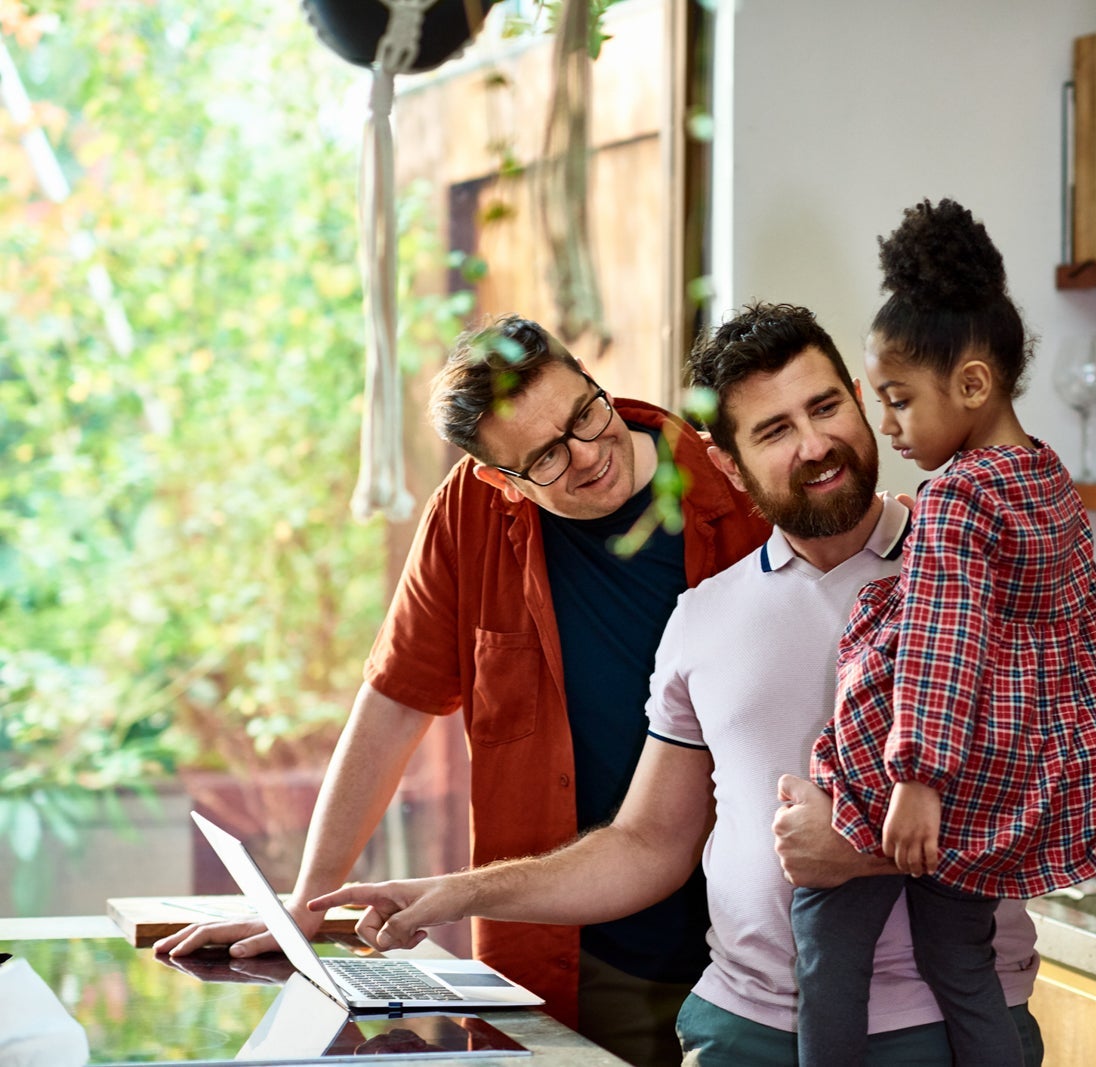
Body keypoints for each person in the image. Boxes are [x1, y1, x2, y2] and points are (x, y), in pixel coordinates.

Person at [307, 302, 1047, 1066]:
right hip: (717, 1009)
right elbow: (648, 837)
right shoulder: (703, 614)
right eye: (773, 431)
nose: (814, 444)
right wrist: (416, 893)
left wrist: (862, 846)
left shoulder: (971, 561)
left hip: (939, 1015)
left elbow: (1063, 788)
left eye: (825, 408)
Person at [155, 314, 771, 1067]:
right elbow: (391, 707)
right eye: (545, 456)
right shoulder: (470, 515)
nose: (587, 454)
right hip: (567, 954)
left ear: (590, 379)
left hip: (746, 954)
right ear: (498, 478)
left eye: (584, 413)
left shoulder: (734, 484)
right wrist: (306, 908)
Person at [790, 199, 1096, 1067]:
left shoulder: (955, 498)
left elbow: (943, 643)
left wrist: (917, 780)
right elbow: (1092, 621)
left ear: (974, 384)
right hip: (1005, 774)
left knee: (828, 945)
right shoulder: (1047, 477)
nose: (887, 426)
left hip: (916, 773)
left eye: (900, 401)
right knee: (961, 959)